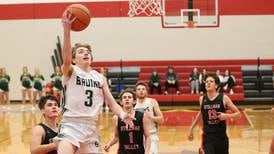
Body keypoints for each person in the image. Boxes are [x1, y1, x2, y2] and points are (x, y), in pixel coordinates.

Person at [53, 11, 134, 154]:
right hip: (70, 125)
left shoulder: (99, 77)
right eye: (81, 51)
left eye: (88, 52)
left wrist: (122, 115)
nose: (86, 53)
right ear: (73, 59)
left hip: (91, 127)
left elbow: (112, 103)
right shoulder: (70, 71)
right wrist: (67, 32)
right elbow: (65, 60)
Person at [187, 73, 240, 154]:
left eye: (211, 81)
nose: (208, 83)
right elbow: (201, 113)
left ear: (216, 85)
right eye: (206, 81)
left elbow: (238, 114)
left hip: (221, 137)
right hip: (208, 137)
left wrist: (227, 116)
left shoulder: (224, 98)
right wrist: (191, 128)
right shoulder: (202, 99)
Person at [104, 88, 151, 154]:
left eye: (129, 97)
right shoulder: (116, 118)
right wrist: (109, 144)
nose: (127, 99)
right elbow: (116, 137)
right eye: (124, 97)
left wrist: (147, 152)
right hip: (123, 152)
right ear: (121, 102)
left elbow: (148, 136)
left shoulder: (142, 116)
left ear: (134, 101)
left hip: (139, 152)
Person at [135, 82, 164, 154]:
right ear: (135, 92)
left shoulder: (152, 102)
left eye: (143, 89)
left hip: (151, 135)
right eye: (139, 89)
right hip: (137, 137)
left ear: (146, 91)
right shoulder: (132, 103)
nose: (141, 91)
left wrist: (152, 117)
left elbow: (161, 120)